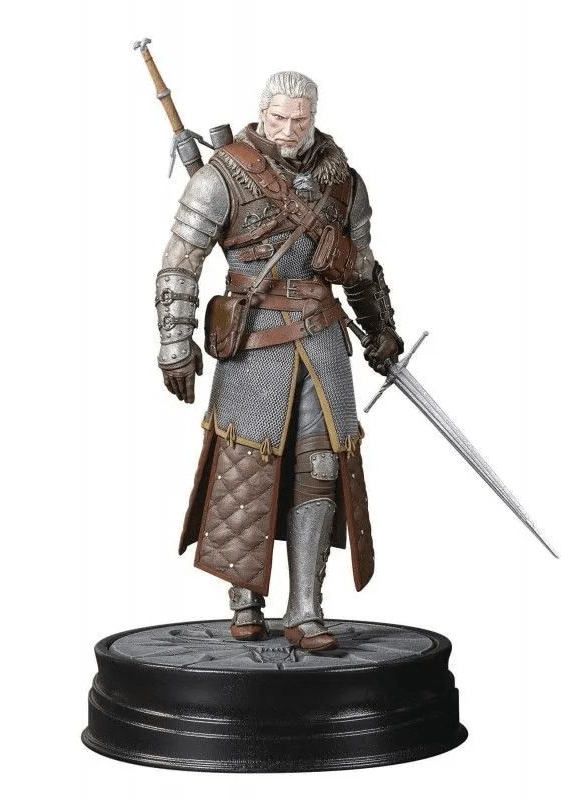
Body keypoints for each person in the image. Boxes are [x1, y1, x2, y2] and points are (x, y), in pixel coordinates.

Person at [155, 71, 402, 651]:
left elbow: (360, 267)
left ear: (313, 117)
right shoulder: (222, 176)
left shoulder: (343, 183)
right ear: (262, 113)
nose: (289, 130)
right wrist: (175, 343)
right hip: (254, 342)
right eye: (279, 118)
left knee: (319, 467)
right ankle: (245, 597)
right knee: (246, 464)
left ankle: (306, 608)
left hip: (322, 342)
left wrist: (381, 330)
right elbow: (180, 264)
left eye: (300, 120)